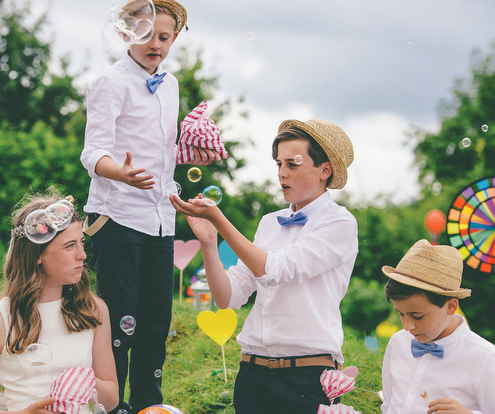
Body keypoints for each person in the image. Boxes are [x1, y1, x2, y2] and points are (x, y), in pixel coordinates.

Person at [80, 1, 221, 413]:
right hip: (117, 218)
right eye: (145, 35)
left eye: (163, 36)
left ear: (174, 38)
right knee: (118, 322)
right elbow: (93, 153)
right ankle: (111, 404)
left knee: (155, 322)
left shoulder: (171, 84)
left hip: (160, 220)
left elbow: (163, 152)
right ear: (126, 35)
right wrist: (119, 173)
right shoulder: (109, 82)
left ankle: (147, 406)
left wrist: (192, 152)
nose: (155, 44)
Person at [170, 118, 358, 413]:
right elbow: (227, 297)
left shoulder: (339, 222)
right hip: (253, 373)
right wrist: (209, 242)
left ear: (325, 170)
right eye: (278, 164)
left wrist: (220, 219)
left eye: (292, 164)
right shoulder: (269, 223)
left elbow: (276, 269)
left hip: (308, 376)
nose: (282, 173)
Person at [0, 191, 118, 414]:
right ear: (37, 254)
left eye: (81, 243)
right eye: (69, 246)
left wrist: (82, 380)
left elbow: (111, 399)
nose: (82, 255)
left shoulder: (94, 310)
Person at [381, 239, 495, 414]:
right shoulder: (398, 342)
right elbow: (389, 405)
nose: (407, 326)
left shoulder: (485, 358)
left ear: (451, 306)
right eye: (400, 314)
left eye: (417, 316)